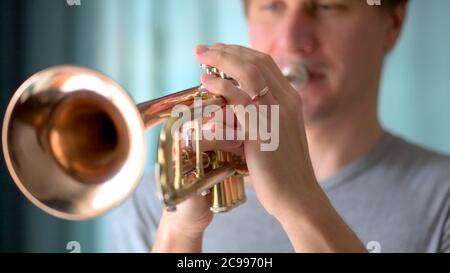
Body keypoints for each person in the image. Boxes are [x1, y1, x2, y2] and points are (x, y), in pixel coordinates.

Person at [110, 0, 450, 253]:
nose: (291, 40)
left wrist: (301, 203)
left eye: (328, 6)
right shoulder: (150, 199)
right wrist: (179, 233)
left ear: (392, 24)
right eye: (273, 6)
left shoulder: (443, 199)